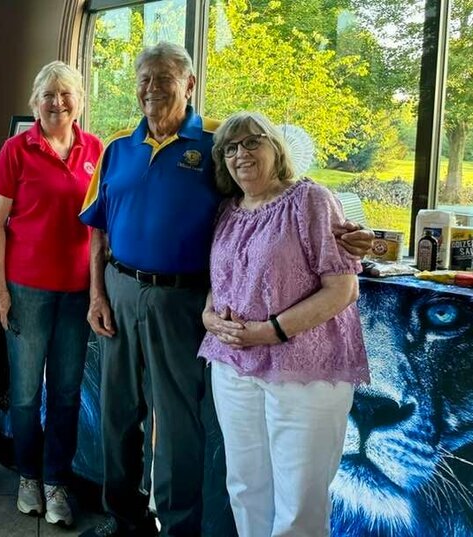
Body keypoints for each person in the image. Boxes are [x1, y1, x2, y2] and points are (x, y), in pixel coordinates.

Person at [78, 42, 374, 537]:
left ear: (189, 83)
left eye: (165, 77)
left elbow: (276, 187)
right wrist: (96, 295)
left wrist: (351, 231)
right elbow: (98, 229)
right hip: (121, 289)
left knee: (176, 426)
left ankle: (177, 526)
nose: (153, 88)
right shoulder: (115, 148)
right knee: (116, 413)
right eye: (144, 78)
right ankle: (123, 519)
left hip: (184, 300)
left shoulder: (217, 140)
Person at [198, 112, 369, 536]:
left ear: (276, 148)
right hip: (233, 366)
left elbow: (342, 289)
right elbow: (221, 282)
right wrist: (208, 316)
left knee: (298, 499)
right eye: (231, 149)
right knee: (244, 486)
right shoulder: (228, 210)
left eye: (253, 142)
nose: (242, 154)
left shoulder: (311, 200)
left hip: (303, 369)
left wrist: (270, 331)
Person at [0, 61, 103, 526]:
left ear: (79, 100)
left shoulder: (96, 150)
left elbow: (98, 230)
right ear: (36, 102)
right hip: (26, 291)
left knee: (67, 394)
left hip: (77, 293)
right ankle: (28, 477)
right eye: (48, 95)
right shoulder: (17, 150)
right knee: (24, 393)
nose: (57, 102)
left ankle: (56, 481)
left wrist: (98, 291)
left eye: (65, 93)